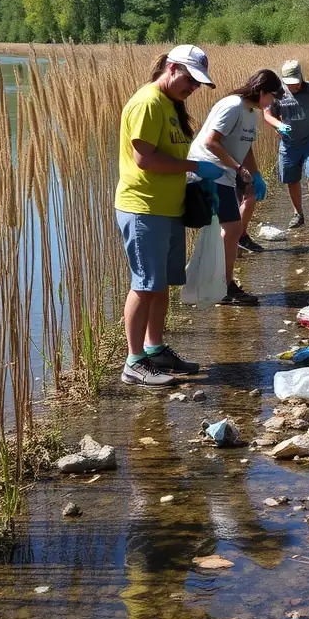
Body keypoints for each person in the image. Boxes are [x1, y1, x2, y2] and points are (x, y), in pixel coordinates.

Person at [115, 45, 223, 387]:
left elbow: (169, 155)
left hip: (168, 207)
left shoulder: (172, 105)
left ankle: (155, 349)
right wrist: (195, 166)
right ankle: (134, 362)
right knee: (145, 284)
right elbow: (144, 160)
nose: (192, 88)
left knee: (161, 285)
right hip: (143, 207)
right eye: (190, 80)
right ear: (172, 68)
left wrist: (195, 182)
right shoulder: (148, 103)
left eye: (197, 84)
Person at [188, 68, 283, 306]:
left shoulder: (252, 113)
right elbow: (211, 141)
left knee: (231, 230)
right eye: (272, 96)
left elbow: (246, 147)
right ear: (262, 91)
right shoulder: (232, 106)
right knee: (231, 229)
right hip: (208, 171)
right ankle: (221, 285)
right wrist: (239, 168)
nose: (272, 103)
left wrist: (257, 175)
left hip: (226, 172)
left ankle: (219, 282)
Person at [263, 59, 309, 230]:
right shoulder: (277, 93)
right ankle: (298, 214)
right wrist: (278, 125)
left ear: (301, 77)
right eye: (289, 83)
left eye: (296, 82)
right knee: (291, 179)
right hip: (289, 144)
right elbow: (267, 114)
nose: (294, 86)